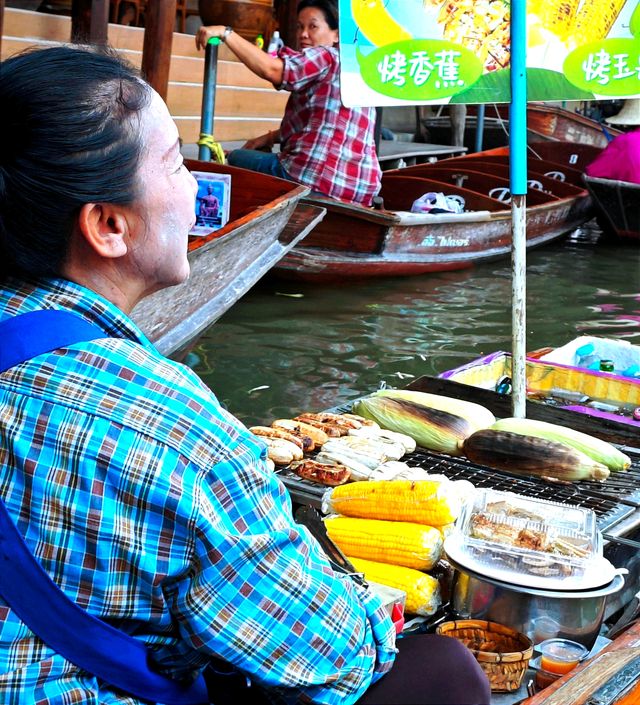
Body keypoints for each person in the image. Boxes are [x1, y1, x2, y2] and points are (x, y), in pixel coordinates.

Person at [0, 45, 490, 705]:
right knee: (445, 674)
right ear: (110, 225)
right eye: (175, 161)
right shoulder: (167, 423)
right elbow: (331, 653)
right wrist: (365, 604)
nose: (197, 184)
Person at [196, 0, 382, 207]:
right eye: (299, 26)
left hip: (313, 177)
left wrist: (226, 33)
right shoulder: (356, 70)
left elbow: (274, 71)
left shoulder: (326, 56)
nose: (303, 34)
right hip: (361, 188)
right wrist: (269, 137)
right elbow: (324, 119)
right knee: (260, 154)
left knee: (236, 158)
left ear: (337, 34)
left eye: (313, 26)